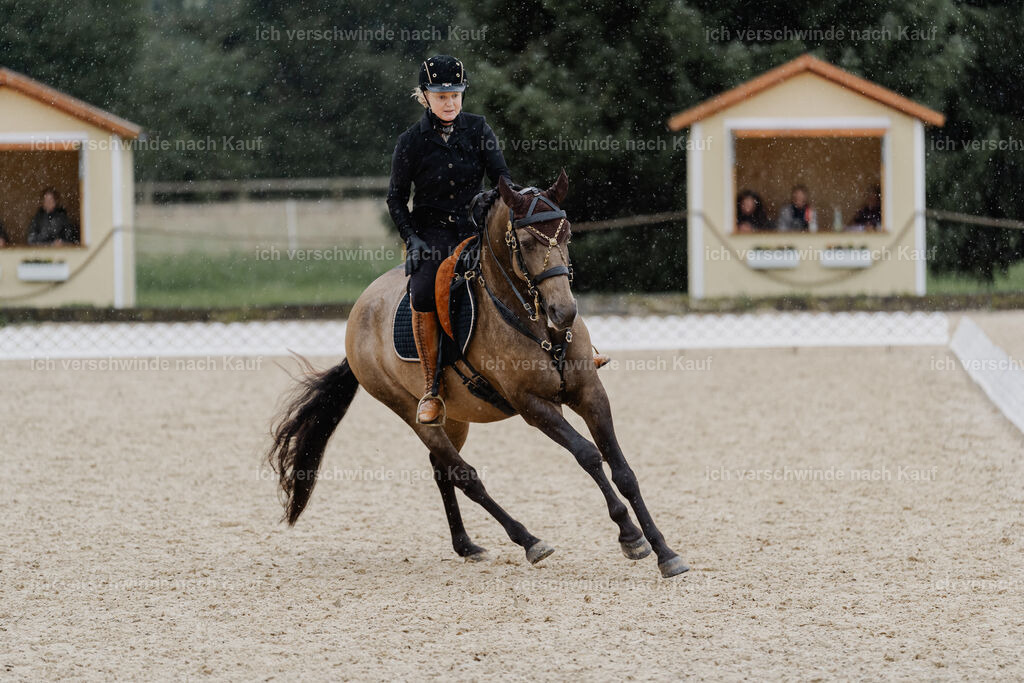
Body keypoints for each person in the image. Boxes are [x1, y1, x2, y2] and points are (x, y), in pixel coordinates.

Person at [387, 55, 512, 425]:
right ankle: (431, 387)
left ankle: (570, 350)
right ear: (425, 96)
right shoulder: (410, 141)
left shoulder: (479, 129)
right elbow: (395, 197)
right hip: (434, 235)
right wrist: (412, 239)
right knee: (424, 292)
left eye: (456, 94)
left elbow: (502, 179)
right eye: (442, 96)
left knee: (533, 263)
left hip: (477, 229)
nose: (450, 102)